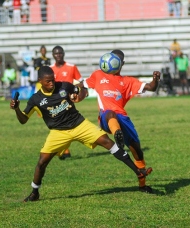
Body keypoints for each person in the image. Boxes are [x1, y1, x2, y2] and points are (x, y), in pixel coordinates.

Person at [10, 66, 152, 202]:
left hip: (79, 125)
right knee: (42, 163)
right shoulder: (36, 99)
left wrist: (77, 93)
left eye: (53, 79)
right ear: (40, 81)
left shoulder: (64, 86)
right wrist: (17, 109)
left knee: (108, 142)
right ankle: (34, 192)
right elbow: (23, 120)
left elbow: (80, 88)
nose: (52, 83)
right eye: (48, 81)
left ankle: (138, 171)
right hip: (58, 132)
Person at [81, 49, 160, 193]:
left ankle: (143, 185)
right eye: (113, 58)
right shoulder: (98, 75)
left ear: (121, 63)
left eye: (118, 60)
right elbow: (82, 85)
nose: (114, 61)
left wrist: (155, 79)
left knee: (137, 151)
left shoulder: (127, 81)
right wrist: (76, 93)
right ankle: (117, 134)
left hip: (123, 119)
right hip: (106, 118)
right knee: (110, 113)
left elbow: (151, 87)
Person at [50, 45, 83, 159]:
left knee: (67, 125)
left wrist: (76, 90)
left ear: (63, 54)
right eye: (56, 53)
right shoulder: (50, 69)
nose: (58, 55)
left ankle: (64, 151)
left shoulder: (71, 67)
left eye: (60, 53)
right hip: (55, 101)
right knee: (60, 125)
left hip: (68, 100)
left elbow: (80, 81)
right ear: (53, 55)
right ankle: (64, 151)